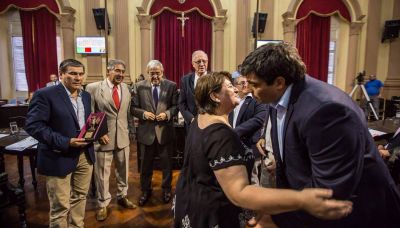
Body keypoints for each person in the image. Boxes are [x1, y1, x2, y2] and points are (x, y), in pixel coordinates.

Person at [240, 42, 400, 227]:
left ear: (279, 82)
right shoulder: (277, 97)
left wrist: (278, 219)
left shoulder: (326, 111)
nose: (249, 90)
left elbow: (331, 190)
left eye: (254, 84)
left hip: (356, 214)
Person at [174, 71, 352, 228]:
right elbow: (239, 192)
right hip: (212, 213)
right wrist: (302, 199)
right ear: (214, 96)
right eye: (230, 86)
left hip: (190, 203)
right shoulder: (221, 134)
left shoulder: (200, 119)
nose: (237, 89)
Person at [25, 59, 95, 227]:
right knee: (60, 206)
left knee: (80, 197)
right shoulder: (45, 94)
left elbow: (84, 123)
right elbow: (33, 126)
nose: (78, 78)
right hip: (58, 155)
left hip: (84, 155)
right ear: (61, 74)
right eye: (72, 73)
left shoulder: (85, 95)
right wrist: (66, 142)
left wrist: (96, 131)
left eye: (80, 74)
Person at [85, 59, 136, 221]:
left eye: (122, 71)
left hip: (122, 137)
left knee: (123, 170)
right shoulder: (93, 88)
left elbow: (127, 113)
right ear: (108, 71)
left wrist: (131, 131)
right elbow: (89, 114)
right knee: (102, 174)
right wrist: (98, 133)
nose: (120, 74)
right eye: (117, 71)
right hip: (103, 139)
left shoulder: (127, 89)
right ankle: (102, 203)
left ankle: (122, 196)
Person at [132, 60, 178, 206]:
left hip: (165, 133)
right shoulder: (139, 87)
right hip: (146, 134)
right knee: (145, 165)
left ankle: (166, 190)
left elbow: (176, 106)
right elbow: (133, 108)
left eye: (158, 73)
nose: (155, 76)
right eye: (152, 73)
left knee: (167, 165)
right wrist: (144, 113)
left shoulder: (171, 86)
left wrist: (167, 114)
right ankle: (145, 190)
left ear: (162, 72)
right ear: (148, 73)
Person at [229, 73, 266, 185]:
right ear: (235, 86)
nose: (246, 85)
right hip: (233, 148)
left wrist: (234, 132)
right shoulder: (232, 101)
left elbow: (259, 119)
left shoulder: (256, 99)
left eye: (247, 82)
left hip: (250, 147)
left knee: (252, 181)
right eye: (242, 83)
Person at [178, 50, 208, 131]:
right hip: (191, 124)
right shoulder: (185, 80)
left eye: (204, 61)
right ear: (193, 64)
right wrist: (191, 119)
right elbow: (181, 103)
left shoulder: (214, 79)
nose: (202, 64)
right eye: (198, 62)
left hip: (209, 123)